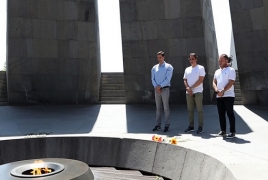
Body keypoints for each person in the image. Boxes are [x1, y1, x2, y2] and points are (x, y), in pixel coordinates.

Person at [213, 54, 236, 138]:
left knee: (230, 113)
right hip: (219, 96)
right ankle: (223, 131)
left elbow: (231, 82)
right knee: (221, 114)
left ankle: (232, 132)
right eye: (219, 61)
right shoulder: (217, 71)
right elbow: (214, 82)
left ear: (226, 61)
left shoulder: (231, 70)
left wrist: (223, 91)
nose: (220, 62)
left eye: (221, 61)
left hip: (229, 95)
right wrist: (216, 90)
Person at [183, 53, 206, 134]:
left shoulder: (200, 68)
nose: (191, 60)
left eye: (193, 59)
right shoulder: (187, 69)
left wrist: (191, 88)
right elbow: (185, 79)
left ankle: (200, 127)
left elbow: (201, 79)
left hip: (198, 91)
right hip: (188, 92)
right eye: (190, 59)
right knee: (190, 110)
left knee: (199, 110)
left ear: (196, 59)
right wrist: (187, 88)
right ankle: (191, 126)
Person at [151, 51, 174, 132]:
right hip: (157, 89)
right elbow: (152, 79)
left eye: (160, 57)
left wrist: (160, 86)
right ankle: (158, 125)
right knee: (158, 108)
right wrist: (156, 87)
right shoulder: (154, 67)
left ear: (164, 57)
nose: (159, 59)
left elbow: (168, 79)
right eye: (158, 58)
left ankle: (167, 125)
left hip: (164, 89)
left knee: (166, 108)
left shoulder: (168, 67)